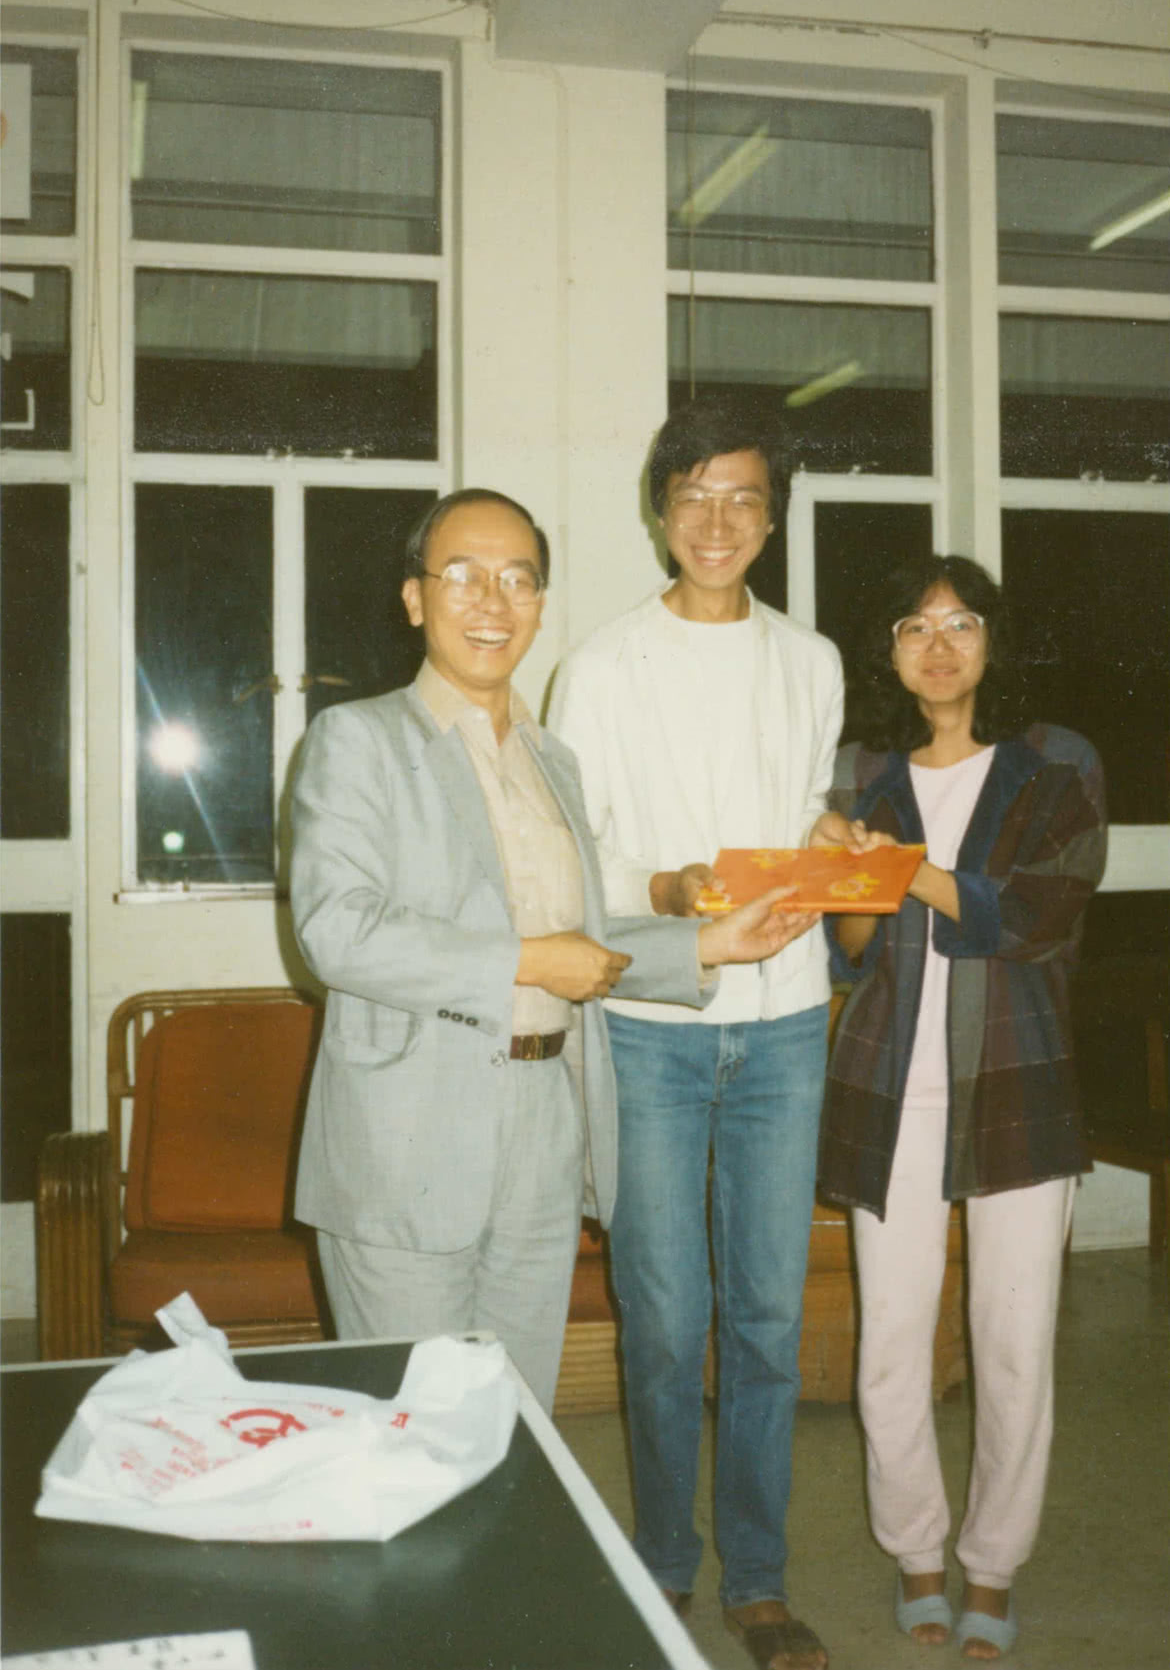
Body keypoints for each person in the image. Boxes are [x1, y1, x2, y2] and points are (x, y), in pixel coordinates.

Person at [289, 487, 810, 1417]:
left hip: (544, 1123)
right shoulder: (357, 739)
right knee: (410, 1435)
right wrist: (525, 962)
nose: (493, 600)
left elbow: (586, 946)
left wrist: (705, 944)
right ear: (415, 598)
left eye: (519, 580)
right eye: (463, 576)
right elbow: (338, 929)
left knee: (510, 1426)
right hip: (408, 1141)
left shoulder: (551, 760)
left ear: (539, 603)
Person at [549, 396, 864, 1670]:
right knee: (667, 1313)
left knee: (770, 1320)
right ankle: (664, 1567)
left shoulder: (814, 658)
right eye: (694, 495)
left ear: (773, 514)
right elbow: (584, 858)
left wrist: (836, 846)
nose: (717, 520)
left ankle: (762, 1580)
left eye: (742, 496)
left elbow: (803, 819)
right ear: (658, 509)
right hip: (653, 1026)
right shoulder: (603, 664)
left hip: (786, 1028)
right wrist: (671, 890)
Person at [819, 556, 1106, 1660]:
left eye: (962, 623)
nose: (938, 645)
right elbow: (849, 947)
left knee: (1015, 1339)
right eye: (913, 625)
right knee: (889, 1342)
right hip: (888, 1082)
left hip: (1018, 1078)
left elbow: (1038, 909)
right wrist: (840, 868)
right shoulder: (864, 766)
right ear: (888, 649)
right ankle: (918, 1551)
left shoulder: (1055, 761)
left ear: (995, 640)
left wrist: (905, 865)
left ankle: (992, 1565)